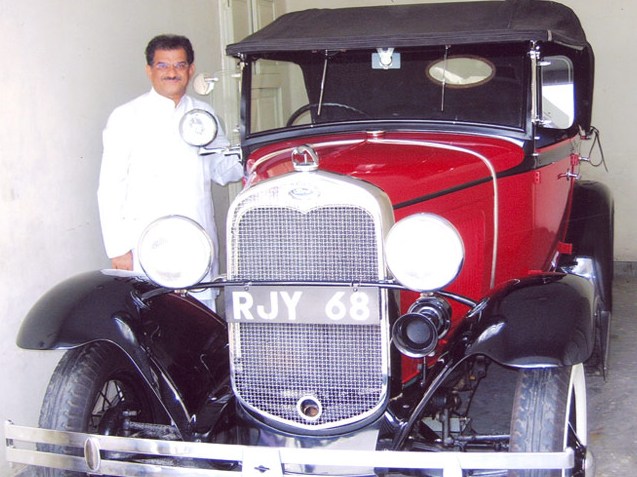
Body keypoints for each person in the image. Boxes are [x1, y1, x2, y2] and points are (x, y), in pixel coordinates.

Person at [97, 34, 242, 308]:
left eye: (180, 65)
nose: (172, 72)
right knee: (154, 318)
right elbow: (110, 186)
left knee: (201, 317)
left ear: (191, 69)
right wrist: (118, 249)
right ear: (149, 70)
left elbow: (223, 170)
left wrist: (253, 153)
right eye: (163, 65)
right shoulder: (126, 117)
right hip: (147, 244)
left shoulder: (203, 114)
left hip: (197, 241)